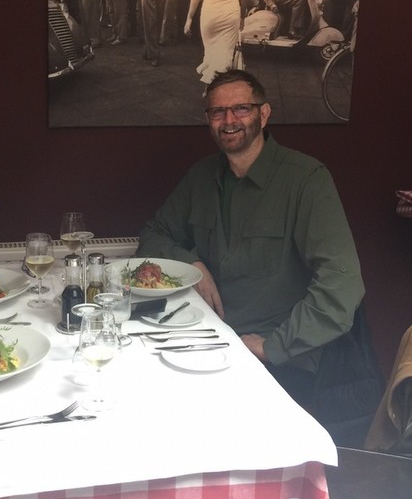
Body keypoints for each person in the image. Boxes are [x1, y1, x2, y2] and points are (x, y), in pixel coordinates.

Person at [137, 70, 365, 413]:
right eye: (218, 112)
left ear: (264, 113)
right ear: (208, 120)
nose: (229, 120)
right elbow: (153, 234)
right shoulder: (201, 176)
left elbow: (342, 285)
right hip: (206, 339)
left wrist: (274, 346)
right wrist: (192, 264)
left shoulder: (306, 180)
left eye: (241, 109)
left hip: (278, 359)